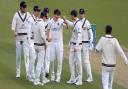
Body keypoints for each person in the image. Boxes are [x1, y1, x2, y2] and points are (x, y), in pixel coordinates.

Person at [95, 25, 128, 89]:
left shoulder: (102, 39)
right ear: (111, 31)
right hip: (112, 66)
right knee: (110, 85)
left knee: (105, 85)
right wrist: (125, 61)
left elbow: (96, 50)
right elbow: (120, 51)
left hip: (105, 66)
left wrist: (101, 49)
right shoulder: (115, 40)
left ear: (105, 31)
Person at [11, 1, 31, 78]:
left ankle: (28, 73)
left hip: (26, 38)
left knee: (26, 56)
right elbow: (13, 26)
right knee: (18, 56)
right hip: (18, 39)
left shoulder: (28, 15)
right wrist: (14, 32)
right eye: (24, 7)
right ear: (20, 7)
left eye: (26, 7)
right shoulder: (16, 15)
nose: (25, 8)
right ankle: (18, 72)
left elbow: (31, 24)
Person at [47, 9, 67, 82]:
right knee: (51, 60)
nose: (58, 16)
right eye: (57, 15)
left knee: (59, 60)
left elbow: (67, 27)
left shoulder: (61, 21)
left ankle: (58, 76)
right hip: (52, 43)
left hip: (59, 43)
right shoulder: (50, 21)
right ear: (54, 14)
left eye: (59, 15)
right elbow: (48, 30)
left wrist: (65, 20)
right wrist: (48, 37)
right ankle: (52, 75)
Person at [64, 10, 83, 85]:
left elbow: (79, 35)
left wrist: (77, 46)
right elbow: (71, 25)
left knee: (78, 63)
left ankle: (80, 80)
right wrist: (65, 20)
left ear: (73, 15)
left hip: (77, 46)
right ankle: (72, 78)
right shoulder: (75, 22)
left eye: (71, 15)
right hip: (72, 45)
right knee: (71, 61)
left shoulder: (78, 24)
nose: (70, 16)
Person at [32, 11, 48, 86]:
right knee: (40, 63)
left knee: (40, 63)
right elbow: (42, 35)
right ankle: (36, 80)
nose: (47, 18)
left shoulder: (36, 22)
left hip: (35, 44)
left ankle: (43, 78)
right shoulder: (41, 23)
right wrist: (46, 42)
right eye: (46, 17)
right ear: (44, 16)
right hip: (41, 46)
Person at [26, 5, 41, 82]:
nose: (39, 12)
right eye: (37, 11)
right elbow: (28, 31)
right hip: (31, 41)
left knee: (34, 58)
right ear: (34, 11)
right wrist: (29, 42)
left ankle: (31, 74)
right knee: (33, 58)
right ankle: (29, 75)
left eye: (39, 11)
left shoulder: (38, 19)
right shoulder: (30, 19)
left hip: (36, 41)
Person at [79, 8, 93, 82]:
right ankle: (79, 76)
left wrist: (90, 42)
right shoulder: (78, 22)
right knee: (78, 60)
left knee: (86, 61)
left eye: (82, 13)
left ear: (84, 14)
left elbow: (91, 33)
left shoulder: (87, 22)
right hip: (79, 43)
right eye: (80, 13)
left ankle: (90, 77)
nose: (81, 15)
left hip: (85, 43)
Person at [43, 7, 51, 78]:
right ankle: (43, 71)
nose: (47, 13)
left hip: (47, 41)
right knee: (42, 57)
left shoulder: (50, 21)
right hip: (41, 41)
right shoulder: (41, 20)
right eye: (46, 12)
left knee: (47, 57)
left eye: (47, 12)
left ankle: (47, 71)